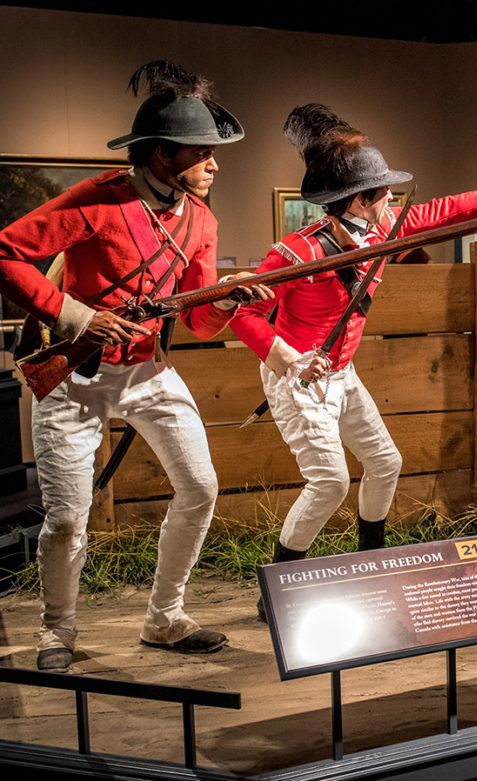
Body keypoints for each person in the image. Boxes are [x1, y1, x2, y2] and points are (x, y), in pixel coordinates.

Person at [229, 104, 477, 621]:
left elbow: (447, 210)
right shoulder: (296, 253)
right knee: (328, 483)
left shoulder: (384, 227)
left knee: (385, 463)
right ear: (358, 199)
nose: (391, 196)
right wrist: (291, 360)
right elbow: (245, 315)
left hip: (342, 375)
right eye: (381, 190)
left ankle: (372, 561)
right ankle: (275, 590)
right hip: (297, 377)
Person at [0, 61, 272, 672]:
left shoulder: (201, 220)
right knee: (69, 518)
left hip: (148, 371)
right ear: (161, 152)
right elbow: (6, 253)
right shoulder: (97, 199)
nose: (214, 163)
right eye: (201, 151)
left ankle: (165, 617)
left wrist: (228, 297)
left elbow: (199, 320)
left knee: (200, 488)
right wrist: (75, 316)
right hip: (74, 376)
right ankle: (58, 631)